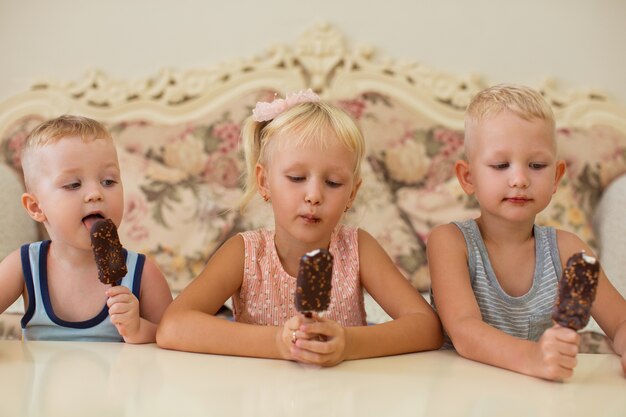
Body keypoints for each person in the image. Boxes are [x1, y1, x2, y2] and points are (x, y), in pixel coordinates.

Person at [157, 90, 442, 366]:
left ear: (352, 194)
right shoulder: (245, 254)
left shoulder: (358, 249)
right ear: (264, 181)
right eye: (296, 177)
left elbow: (427, 327)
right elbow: (173, 326)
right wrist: (278, 343)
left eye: (333, 183)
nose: (314, 195)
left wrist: (349, 344)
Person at [427, 84, 626, 380]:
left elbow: (620, 320)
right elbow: (464, 330)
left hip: (537, 394)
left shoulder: (570, 251)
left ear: (556, 177)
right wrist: (533, 357)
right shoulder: (451, 242)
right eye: (500, 165)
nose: (519, 179)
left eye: (536, 165)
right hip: (463, 388)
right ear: (468, 178)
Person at [0, 115, 172, 343]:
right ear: (36, 207)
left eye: (108, 181)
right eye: (73, 184)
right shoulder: (25, 265)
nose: (95, 193)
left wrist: (140, 329)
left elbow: (173, 335)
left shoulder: (142, 273)